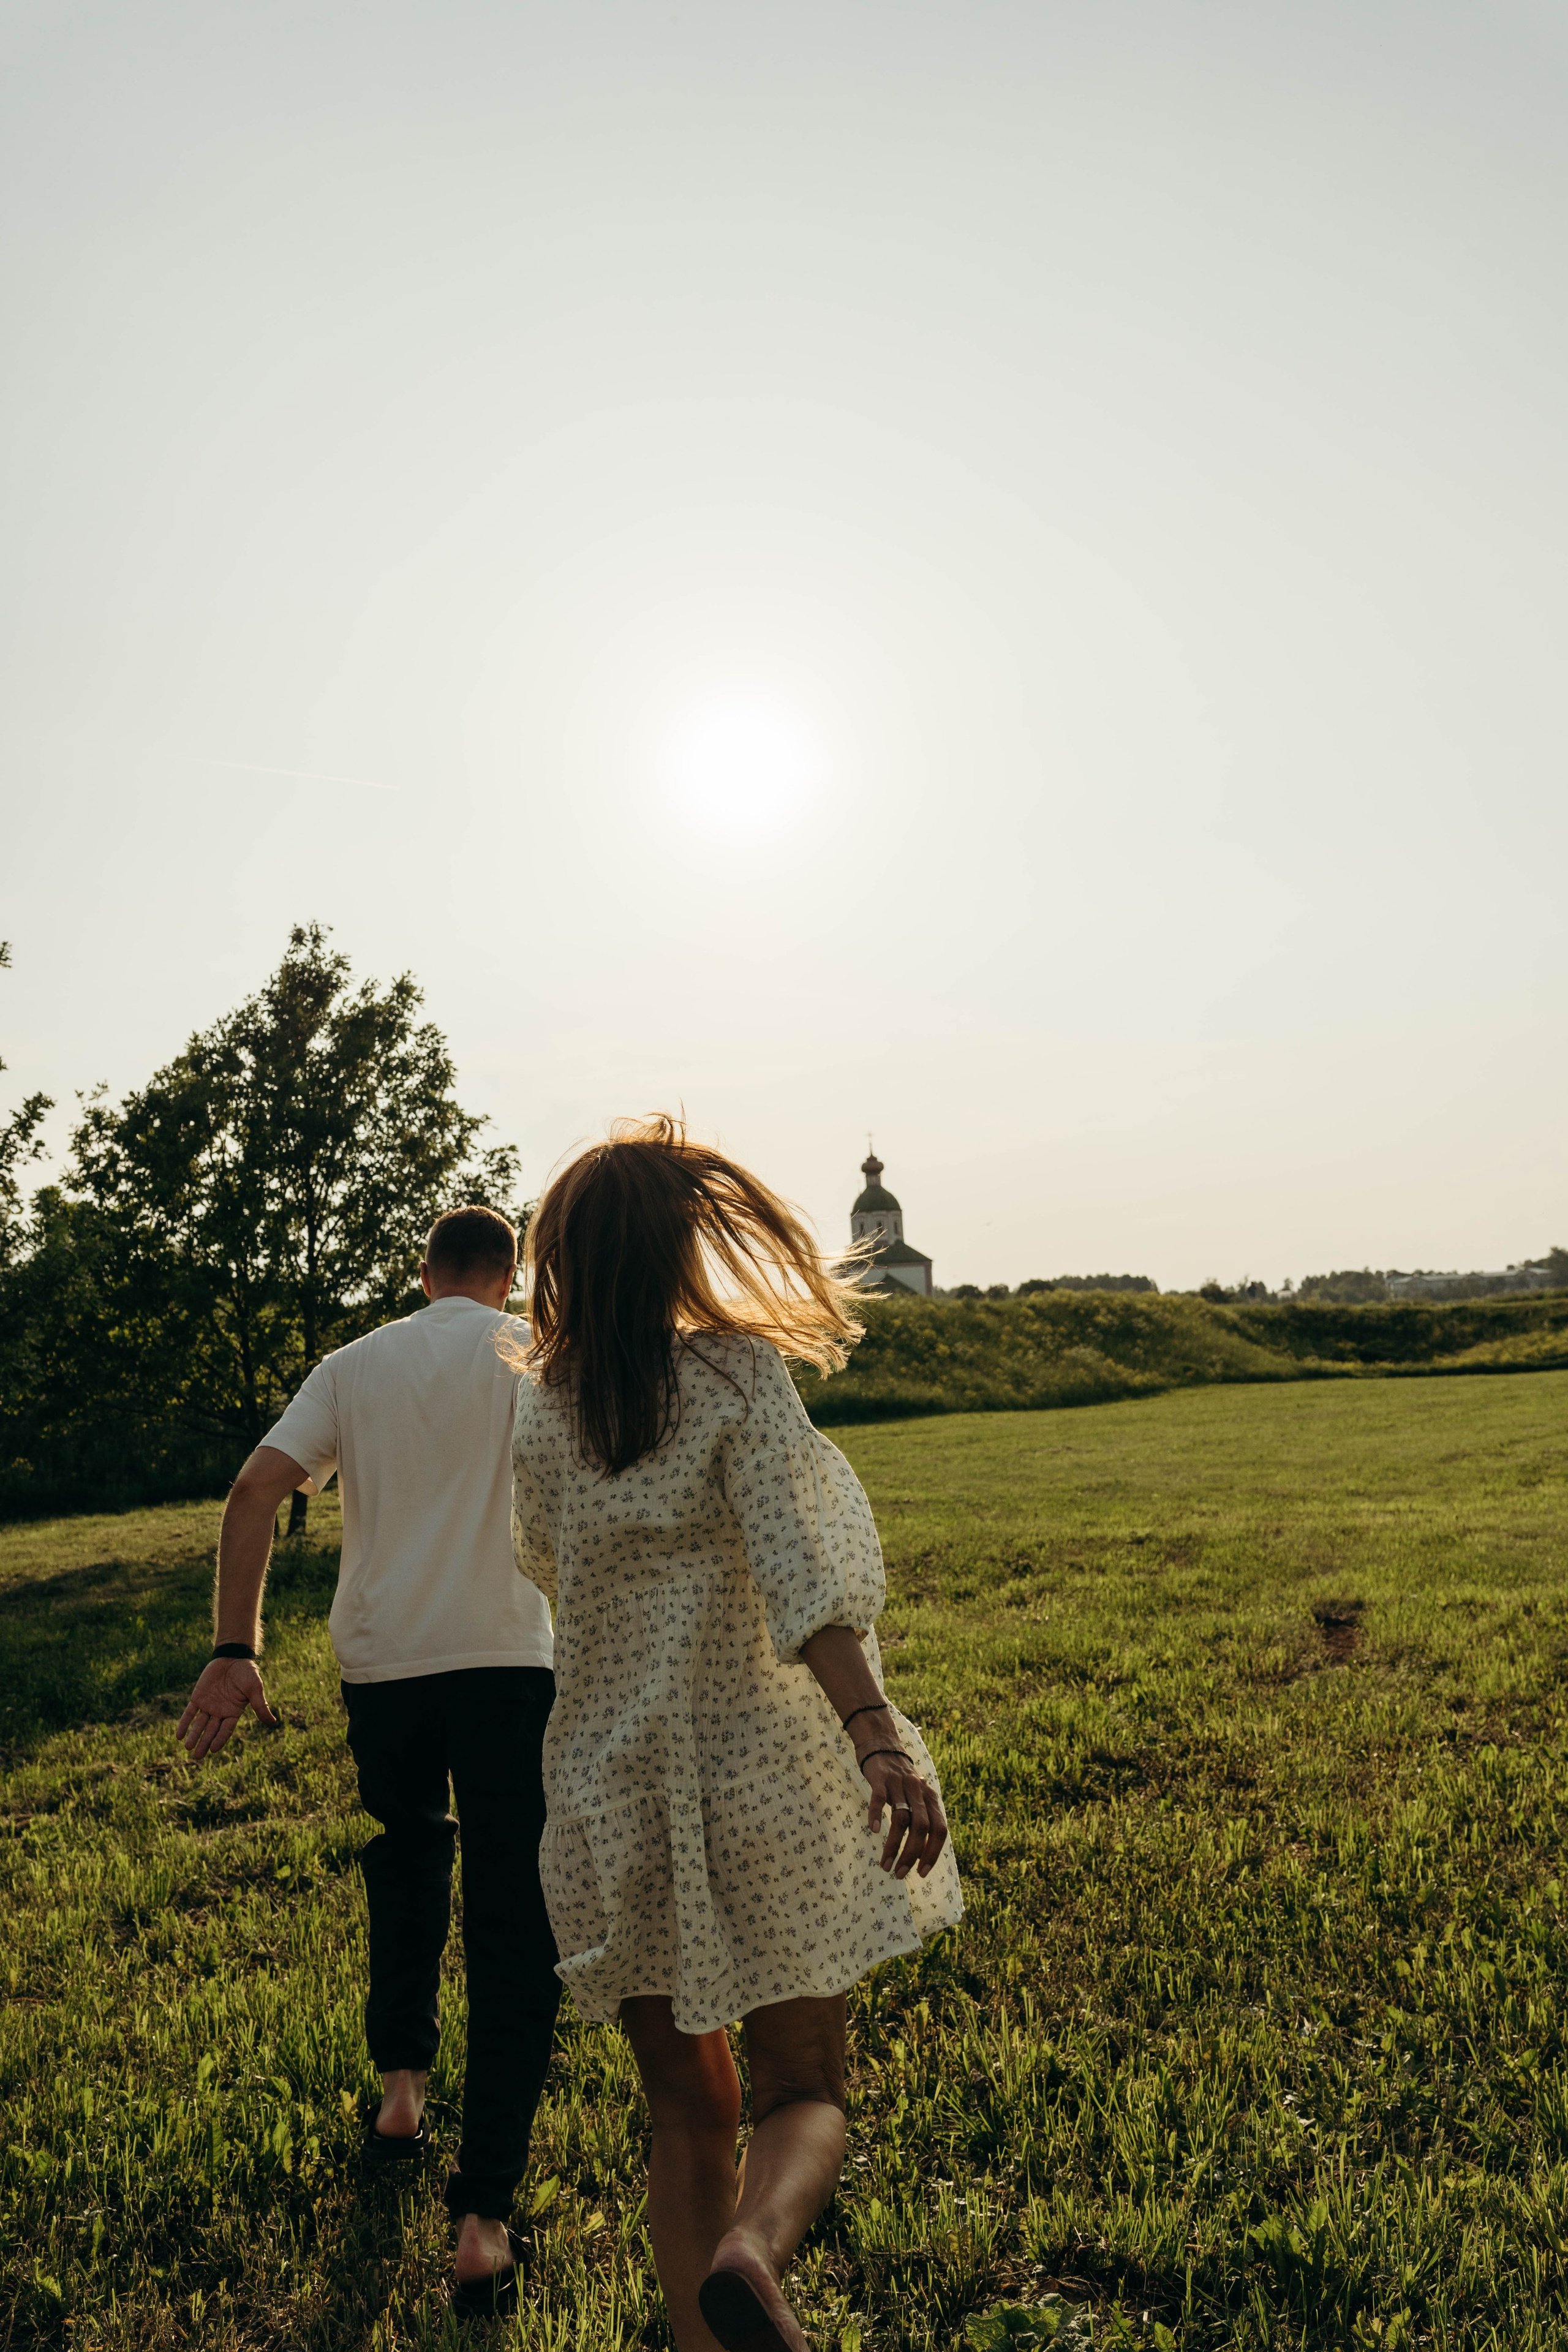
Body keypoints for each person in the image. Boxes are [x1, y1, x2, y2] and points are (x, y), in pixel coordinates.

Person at [506, 1118, 962, 2352]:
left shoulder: (542, 1411)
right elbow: (804, 1579)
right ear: (680, 1246)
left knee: (684, 2117)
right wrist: (876, 1738)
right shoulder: (735, 1377)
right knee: (802, 2087)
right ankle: (754, 2252)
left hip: (608, 1791)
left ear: (563, 1259)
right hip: (761, 1774)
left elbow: (543, 1563)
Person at [176, 1205, 559, 2318]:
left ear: (423, 1273)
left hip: (383, 1663)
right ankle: (481, 2221)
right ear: (509, 1275)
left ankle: (401, 2091)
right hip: (506, 1659)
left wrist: (234, 1648)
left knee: (407, 1853)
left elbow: (255, 1488)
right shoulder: (539, 1354)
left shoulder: (353, 1363)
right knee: (510, 1917)